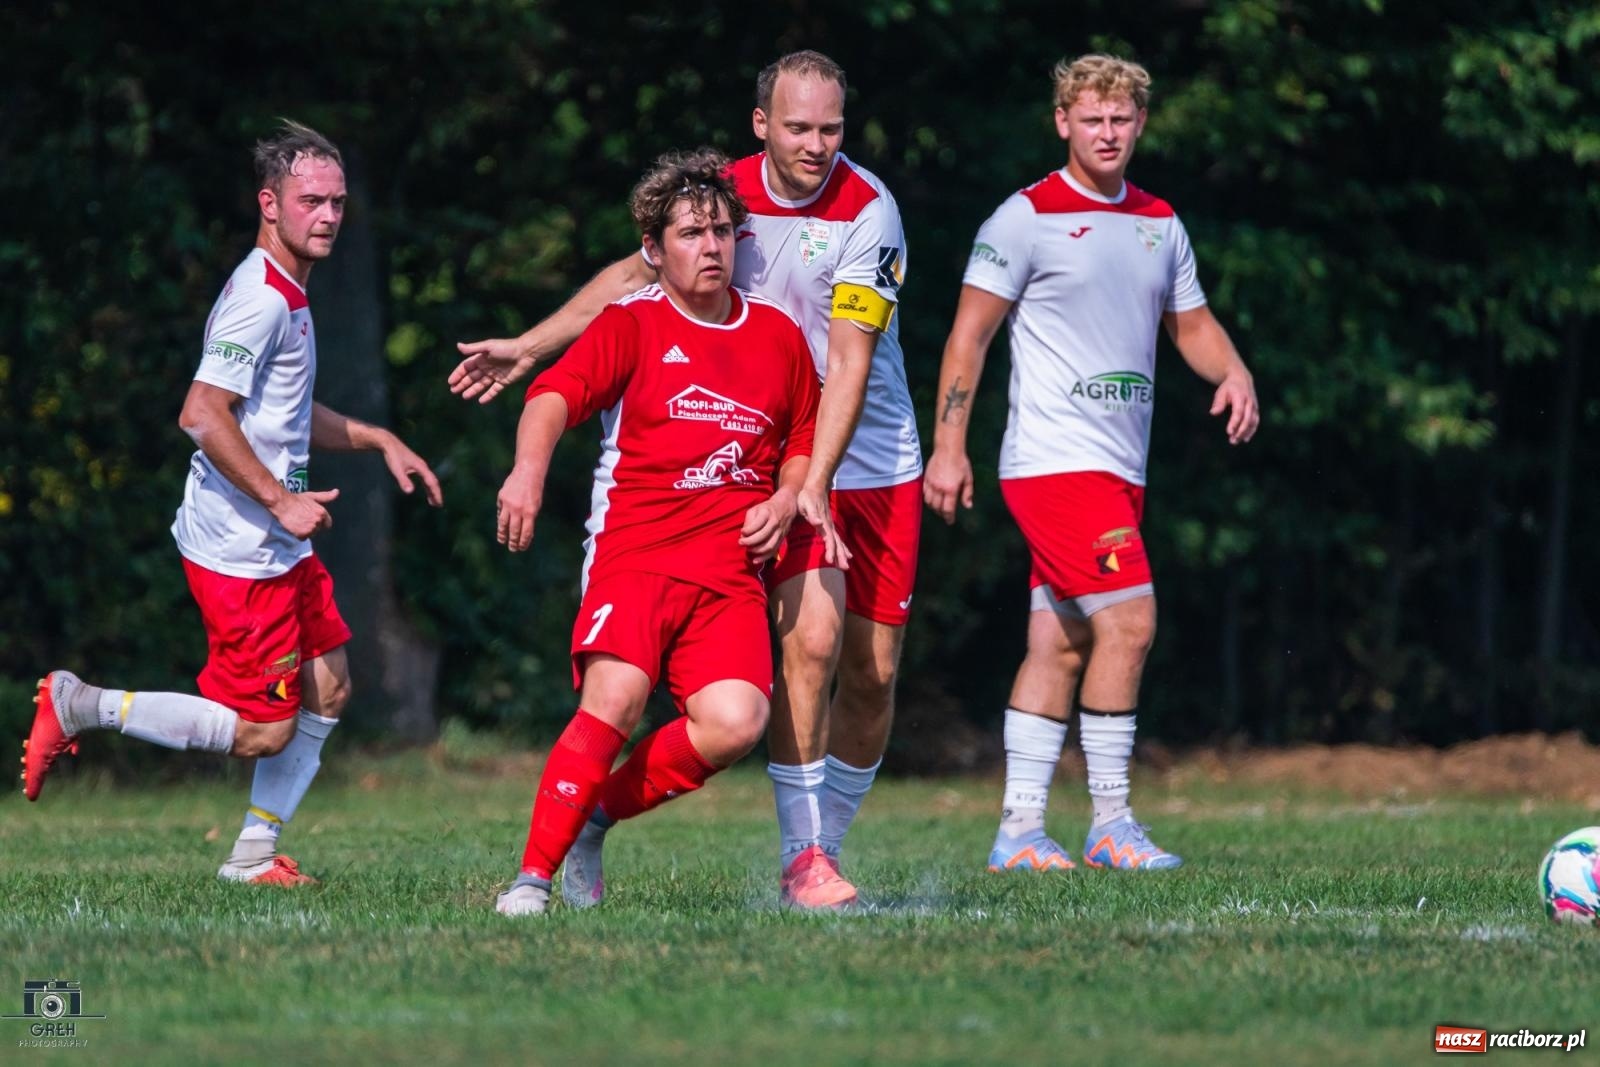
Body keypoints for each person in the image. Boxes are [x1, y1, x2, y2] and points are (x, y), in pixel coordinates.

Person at [453, 51, 920, 909]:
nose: (816, 145)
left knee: (872, 668)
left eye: (831, 128)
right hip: (752, 474)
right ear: (761, 126)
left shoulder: (867, 210)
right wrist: (531, 346)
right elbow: (627, 286)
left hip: (855, 453)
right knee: (809, 642)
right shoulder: (721, 200)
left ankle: (816, 841)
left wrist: (809, 480)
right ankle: (804, 857)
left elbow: (848, 362)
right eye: (798, 128)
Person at [22, 121, 443, 885]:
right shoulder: (261, 299)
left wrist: (378, 438)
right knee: (262, 732)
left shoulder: (291, 291)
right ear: (269, 204)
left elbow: (280, 413)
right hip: (239, 547)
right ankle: (81, 703)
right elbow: (201, 412)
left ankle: (252, 856)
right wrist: (281, 501)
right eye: (310, 200)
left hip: (272, 538)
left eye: (337, 202)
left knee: (332, 685)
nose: (326, 216)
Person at [924, 54, 1259, 872]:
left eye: (1121, 119)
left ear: (1140, 124)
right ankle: (1111, 821)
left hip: (1119, 467)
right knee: (1130, 622)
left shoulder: (1159, 221)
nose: (1106, 132)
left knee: (1063, 641)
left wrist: (1236, 369)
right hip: (1053, 461)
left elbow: (1193, 326)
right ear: (1063, 122)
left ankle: (1018, 834)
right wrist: (948, 444)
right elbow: (970, 335)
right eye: (1091, 118)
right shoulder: (1024, 217)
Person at [493, 148, 828, 917]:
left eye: (720, 231)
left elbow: (802, 439)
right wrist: (528, 471)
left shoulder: (776, 335)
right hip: (637, 555)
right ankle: (529, 883)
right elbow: (551, 396)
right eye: (689, 233)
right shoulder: (632, 325)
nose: (709, 246)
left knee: (737, 722)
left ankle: (593, 817)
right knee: (614, 698)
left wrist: (785, 498)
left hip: (728, 570)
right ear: (653, 249)